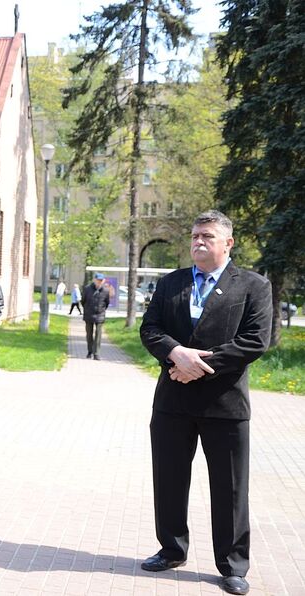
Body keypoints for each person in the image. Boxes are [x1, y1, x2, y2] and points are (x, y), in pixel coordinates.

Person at [139, 210, 271, 596]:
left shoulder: (252, 286)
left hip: (224, 404)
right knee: (169, 479)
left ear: (228, 243)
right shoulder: (171, 283)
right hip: (172, 401)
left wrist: (195, 364)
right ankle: (171, 549)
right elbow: (151, 328)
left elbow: (253, 341)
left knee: (229, 488)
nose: (198, 241)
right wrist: (175, 353)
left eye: (207, 236)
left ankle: (232, 565)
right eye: (195, 235)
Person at [81, 273, 109, 359]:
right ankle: (90, 351)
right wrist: (87, 309)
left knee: (98, 334)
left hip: (99, 315)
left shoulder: (105, 291)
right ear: (95, 280)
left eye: (101, 280)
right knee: (89, 334)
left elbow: (106, 303)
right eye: (98, 280)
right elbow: (83, 301)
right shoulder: (87, 289)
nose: (99, 282)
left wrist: (101, 310)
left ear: (103, 281)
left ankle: (96, 353)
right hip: (89, 315)